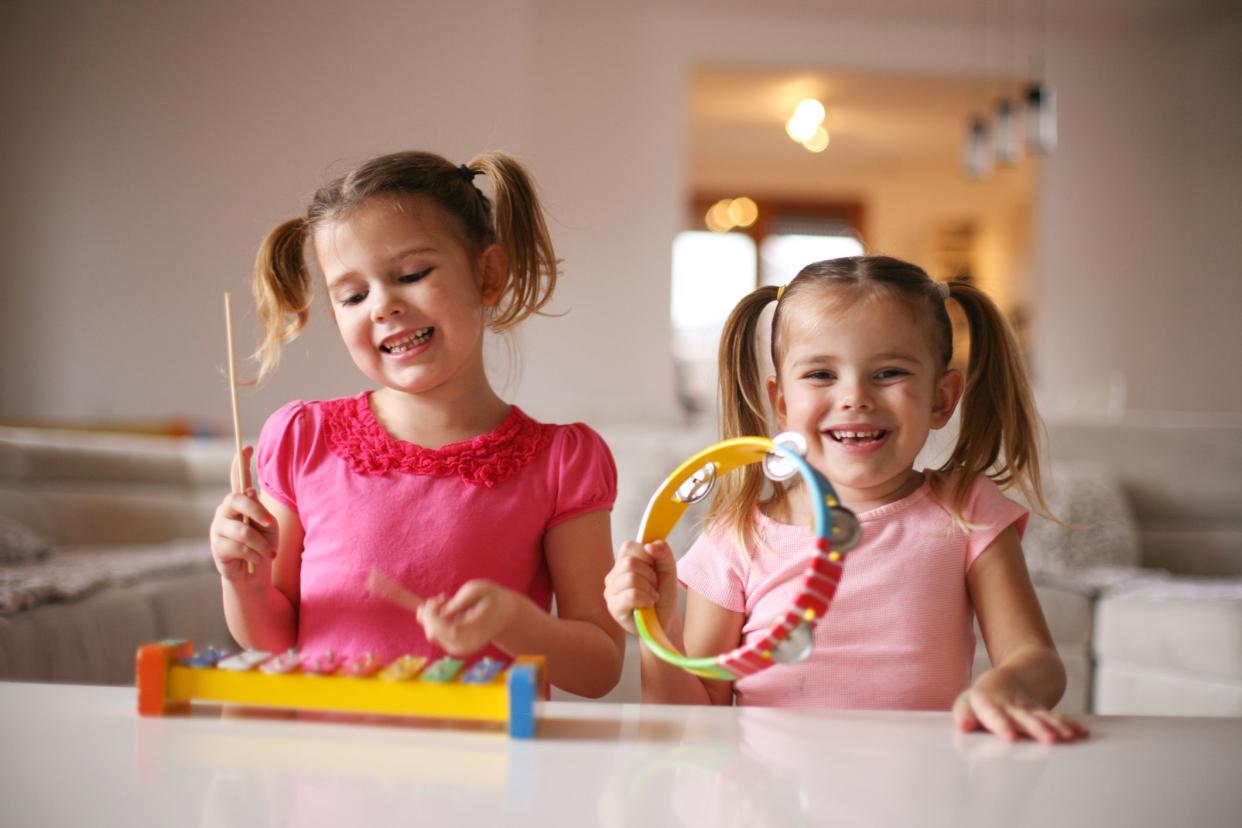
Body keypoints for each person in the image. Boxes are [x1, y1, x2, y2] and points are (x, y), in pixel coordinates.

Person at [605, 255, 1088, 741]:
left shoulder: (968, 509)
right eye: (820, 375)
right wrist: (658, 628)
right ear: (781, 402)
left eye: (889, 372)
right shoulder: (736, 535)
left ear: (942, 398)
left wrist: (1009, 686)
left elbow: (1038, 660)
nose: (855, 397)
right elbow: (693, 724)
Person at [209, 150, 623, 698]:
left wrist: (513, 623)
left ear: (488, 275)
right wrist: (243, 580)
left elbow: (600, 669)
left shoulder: (562, 462)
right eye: (353, 296)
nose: (382, 306)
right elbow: (272, 643)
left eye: (411, 274)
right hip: (328, 774)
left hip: (489, 776)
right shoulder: (303, 440)